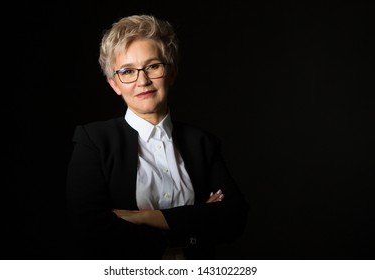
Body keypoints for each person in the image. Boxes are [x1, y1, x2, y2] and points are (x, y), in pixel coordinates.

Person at [66, 14, 248, 260]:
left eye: (153, 66)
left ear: (171, 72)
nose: (143, 81)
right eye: (127, 71)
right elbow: (89, 230)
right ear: (114, 84)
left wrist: (144, 217)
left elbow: (234, 219)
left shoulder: (202, 143)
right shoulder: (94, 141)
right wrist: (196, 219)